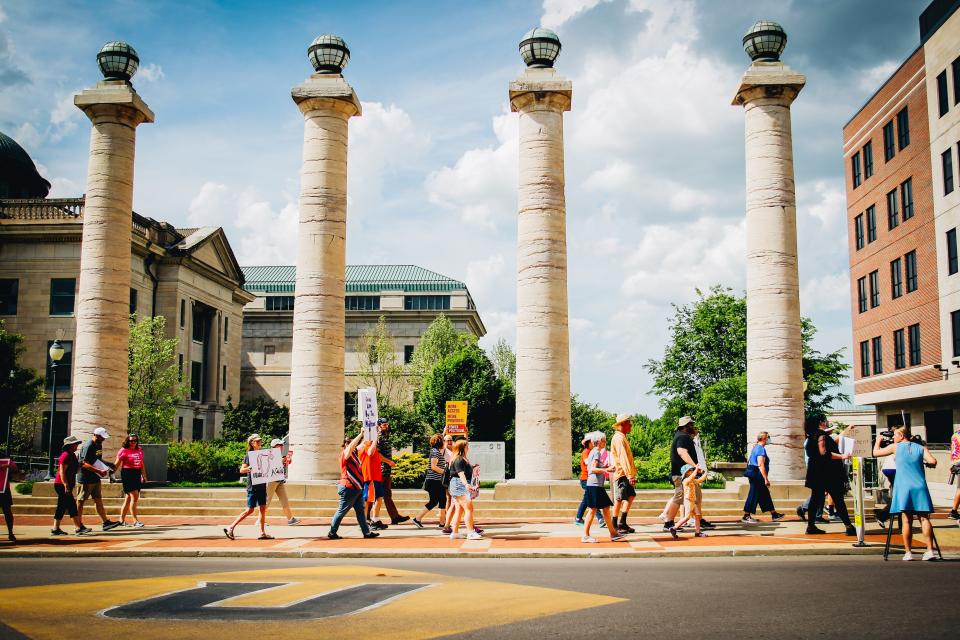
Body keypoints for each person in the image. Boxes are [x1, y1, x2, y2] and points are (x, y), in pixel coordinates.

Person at [873, 425, 938, 561]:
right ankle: (930, 550)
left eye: (895, 435)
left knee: (906, 520)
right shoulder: (921, 448)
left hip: (903, 486)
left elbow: (876, 453)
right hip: (919, 485)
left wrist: (878, 440)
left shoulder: (895, 448)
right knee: (924, 518)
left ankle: (908, 552)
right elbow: (932, 461)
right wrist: (925, 463)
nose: (893, 437)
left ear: (902, 436)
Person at [803, 416, 855, 536]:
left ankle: (810, 526)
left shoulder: (811, 436)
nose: (826, 423)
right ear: (820, 423)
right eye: (824, 421)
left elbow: (836, 439)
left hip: (815, 472)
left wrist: (847, 430)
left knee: (815, 500)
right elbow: (824, 453)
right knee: (838, 499)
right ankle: (848, 526)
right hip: (827, 472)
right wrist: (842, 456)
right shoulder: (821, 436)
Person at [328, 431, 378, 540]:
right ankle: (332, 532)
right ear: (344, 445)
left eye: (349, 442)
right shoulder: (345, 454)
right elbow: (351, 447)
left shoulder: (354, 454)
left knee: (360, 511)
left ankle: (366, 532)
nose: (349, 444)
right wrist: (360, 435)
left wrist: (370, 433)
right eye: (347, 442)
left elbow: (363, 444)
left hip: (357, 488)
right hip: (348, 487)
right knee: (342, 511)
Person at [224, 434, 272, 540]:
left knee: (263, 509)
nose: (259, 442)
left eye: (260, 441)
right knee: (249, 510)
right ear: (252, 443)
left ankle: (262, 532)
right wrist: (250, 468)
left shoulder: (263, 453)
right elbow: (242, 470)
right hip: (253, 487)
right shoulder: (249, 455)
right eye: (257, 441)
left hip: (262, 485)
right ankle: (231, 527)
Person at [581, 432, 626, 544]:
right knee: (592, 510)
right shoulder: (596, 452)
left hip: (596, 485)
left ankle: (613, 533)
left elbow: (596, 467)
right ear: (599, 441)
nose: (605, 442)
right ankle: (585, 536)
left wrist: (607, 467)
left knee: (605, 508)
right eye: (604, 440)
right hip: (594, 485)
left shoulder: (594, 452)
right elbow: (593, 469)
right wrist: (606, 470)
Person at [76, 427, 121, 532]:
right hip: (85, 479)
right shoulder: (88, 446)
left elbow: (98, 459)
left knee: (98, 500)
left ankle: (105, 522)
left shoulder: (98, 444)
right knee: (81, 501)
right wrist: (98, 471)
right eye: (102, 437)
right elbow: (83, 463)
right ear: (95, 435)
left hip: (95, 478)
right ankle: (78, 525)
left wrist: (109, 464)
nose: (103, 439)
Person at [662, 416, 701, 532]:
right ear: (685, 426)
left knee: (680, 497)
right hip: (681, 474)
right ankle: (668, 523)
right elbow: (682, 452)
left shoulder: (681, 436)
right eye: (691, 425)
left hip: (681, 474)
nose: (693, 427)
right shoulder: (683, 437)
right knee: (679, 497)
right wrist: (695, 466)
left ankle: (693, 519)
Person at [741, 431, 785, 524]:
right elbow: (761, 465)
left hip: (755, 475)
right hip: (758, 476)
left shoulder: (756, 447)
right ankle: (746, 515)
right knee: (753, 494)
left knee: (765, 494)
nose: (769, 439)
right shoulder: (760, 449)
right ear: (764, 438)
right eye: (768, 437)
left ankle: (774, 514)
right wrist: (766, 478)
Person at [372, 418, 409, 527]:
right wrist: (389, 462)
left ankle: (394, 517)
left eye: (387, 424)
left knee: (387, 494)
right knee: (378, 495)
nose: (386, 426)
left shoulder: (385, 436)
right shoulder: (378, 437)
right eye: (384, 424)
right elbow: (377, 454)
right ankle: (369, 518)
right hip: (382, 470)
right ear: (379, 425)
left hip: (386, 470)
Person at [52, 435, 88, 536]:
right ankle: (78, 527)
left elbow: (75, 471)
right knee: (72, 505)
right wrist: (66, 485)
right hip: (61, 484)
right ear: (70, 445)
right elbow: (61, 472)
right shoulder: (65, 455)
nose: (77, 446)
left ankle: (55, 528)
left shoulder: (72, 455)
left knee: (61, 506)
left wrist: (80, 465)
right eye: (75, 444)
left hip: (67, 484)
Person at [448, 439, 482, 540]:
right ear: (462, 447)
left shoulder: (462, 458)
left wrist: (472, 467)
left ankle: (455, 532)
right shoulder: (459, 459)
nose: (468, 447)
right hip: (459, 485)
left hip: (457, 485)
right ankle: (471, 532)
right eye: (467, 446)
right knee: (469, 508)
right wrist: (466, 484)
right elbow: (460, 474)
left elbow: (464, 472)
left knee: (459, 510)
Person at [609, 414, 637, 534]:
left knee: (631, 496)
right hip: (621, 474)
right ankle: (614, 525)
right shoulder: (619, 438)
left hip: (625, 473)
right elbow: (623, 458)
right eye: (629, 423)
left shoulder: (622, 437)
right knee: (619, 499)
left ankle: (622, 522)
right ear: (623, 424)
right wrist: (630, 475)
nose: (631, 425)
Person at [113, 433, 147, 528]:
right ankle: (135, 521)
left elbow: (142, 463)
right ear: (128, 441)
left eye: (135, 440)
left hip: (136, 474)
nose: (133, 442)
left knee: (128, 498)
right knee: (135, 496)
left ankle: (121, 520)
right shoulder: (123, 450)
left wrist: (144, 475)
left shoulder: (140, 450)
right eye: (131, 441)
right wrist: (111, 472)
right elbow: (116, 464)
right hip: (127, 473)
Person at [413, 434, 447, 528]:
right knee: (442, 500)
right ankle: (442, 523)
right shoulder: (435, 452)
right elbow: (433, 467)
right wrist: (445, 472)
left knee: (434, 501)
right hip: (434, 481)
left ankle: (418, 519)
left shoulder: (435, 451)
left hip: (434, 480)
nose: (445, 442)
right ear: (440, 442)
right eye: (443, 440)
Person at [265, 438, 300, 526]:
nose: (282, 446)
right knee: (267, 501)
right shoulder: (269, 453)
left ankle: (290, 519)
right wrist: (282, 460)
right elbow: (270, 463)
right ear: (274, 446)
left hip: (279, 480)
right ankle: (259, 520)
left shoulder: (279, 455)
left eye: (282, 444)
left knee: (284, 500)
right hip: (271, 480)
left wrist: (285, 461)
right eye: (280, 445)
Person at [359, 428, 388, 530]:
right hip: (371, 476)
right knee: (368, 500)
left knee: (378, 498)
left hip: (376, 476)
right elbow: (370, 453)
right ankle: (364, 521)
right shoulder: (368, 443)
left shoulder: (371, 443)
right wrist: (375, 440)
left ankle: (375, 519)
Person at [669, 464, 708, 538]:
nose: (692, 471)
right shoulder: (686, 480)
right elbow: (692, 477)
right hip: (688, 501)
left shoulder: (692, 480)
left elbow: (700, 480)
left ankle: (697, 532)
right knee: (687, 517)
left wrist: (705, 473)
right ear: (686, 472)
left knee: (697, 515)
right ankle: (674, 528)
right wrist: (696, 469)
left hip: (692, 501)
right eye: (690, 470)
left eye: (692, 470)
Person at [575, 435, 592, 525]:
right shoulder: (586, 451)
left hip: (590, 479)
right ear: (588, 443)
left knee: (586, 499)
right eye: (592, 441)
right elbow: (587, 462)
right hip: (586, 479)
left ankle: (578, 518)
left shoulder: (591, 451)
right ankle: (601, 519)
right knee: (591, 498)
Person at [0, 456, 18, 542]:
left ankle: (10, 533)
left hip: (4, 490)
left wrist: (7, 466)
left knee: (7, 512)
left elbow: (15, 467)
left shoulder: (4, 458)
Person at [948, 424, 959, 520]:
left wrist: (952, 463)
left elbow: (952, 449)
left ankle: (954, 511)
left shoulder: (955, 435)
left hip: (956, 463)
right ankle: (953, 511)